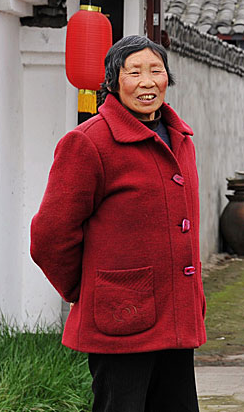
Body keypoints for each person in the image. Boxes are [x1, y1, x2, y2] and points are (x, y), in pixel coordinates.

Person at [31, 35, 206, 412]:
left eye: (156, 71)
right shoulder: (89, 143)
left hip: (175, 315)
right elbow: (50, 234)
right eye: (135, 72)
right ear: (113, 83)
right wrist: (88, 288)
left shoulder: (180, 138)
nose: (147, 82)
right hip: (121, 318)